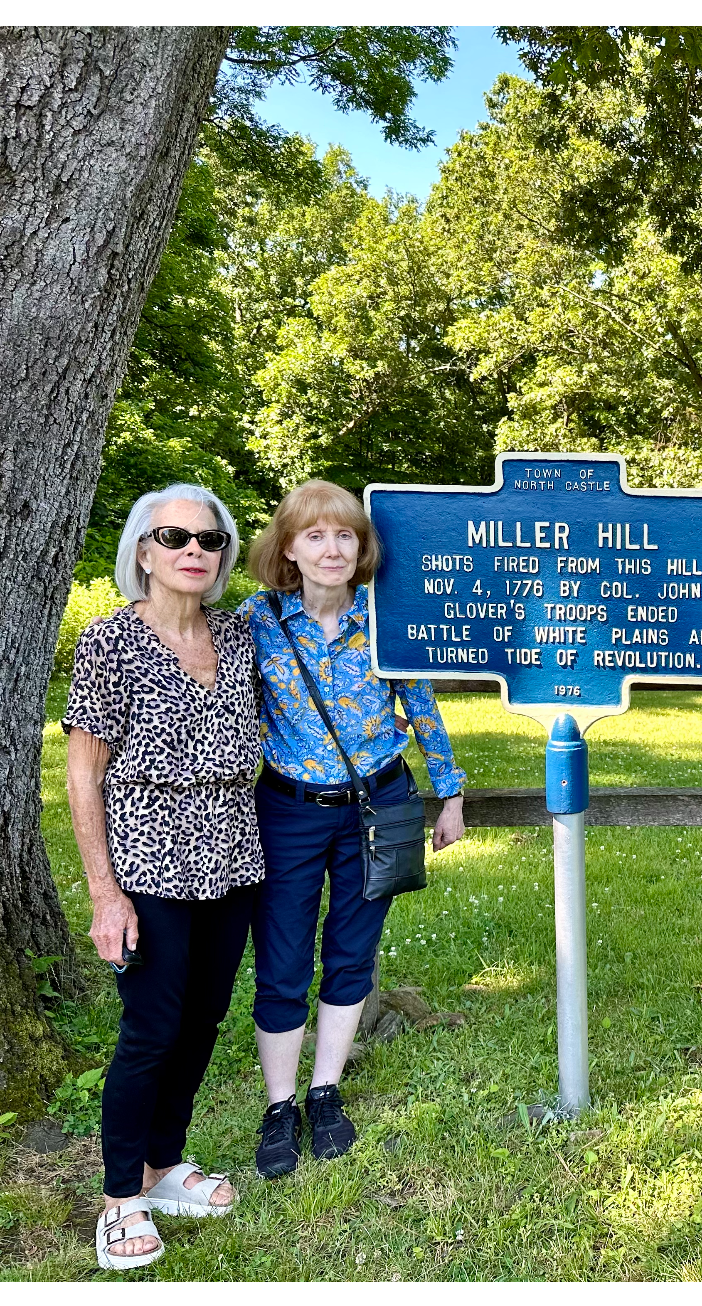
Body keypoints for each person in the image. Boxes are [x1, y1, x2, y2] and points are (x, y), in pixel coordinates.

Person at [240, 480, 466, 1179]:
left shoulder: (386, 615)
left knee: (351, 952)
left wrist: (449, 793)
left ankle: (325, 1089)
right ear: (288, 548)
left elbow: (420, 707)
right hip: (288, 809)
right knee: (282, 958)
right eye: (315, 535)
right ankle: (281, 1106)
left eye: (345, 536)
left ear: (362, 547)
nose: (331, 549)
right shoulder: (257, 620)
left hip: (378, 806)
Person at [64, 484, 261, 1271]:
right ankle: (120, 1199)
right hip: (148, 857)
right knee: (151, 1028)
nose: (192, 551)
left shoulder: (239, 637)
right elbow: (83, 773)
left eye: (209, 540)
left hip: (234, 858)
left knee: (205, 1017)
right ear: (142, 551)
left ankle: (162, 1164)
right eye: (173, 536)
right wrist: (103, 892)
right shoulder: (111, 640)